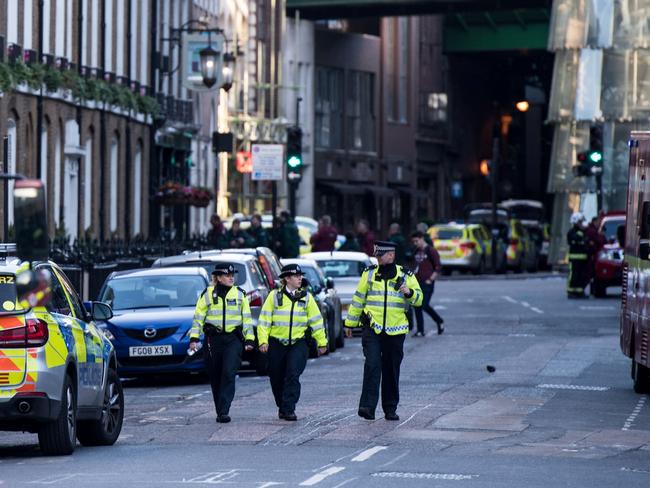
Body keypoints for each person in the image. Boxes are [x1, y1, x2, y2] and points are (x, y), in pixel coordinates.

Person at [344, 241, 423, 421]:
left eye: (382, 256)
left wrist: (409, 292)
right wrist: (350, 323)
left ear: (391, 255)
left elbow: (419, 300)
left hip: (396, 330)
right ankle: (367, 407)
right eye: (377, 256)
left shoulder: (405, 275)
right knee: (372, 364)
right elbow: (358, 299)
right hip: (373, 327)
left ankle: (390, 408)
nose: (378, 259)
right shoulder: (369, 274)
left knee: (391, 369)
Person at [257, 264, 327, 421]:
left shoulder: (306, 298)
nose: (300, 278)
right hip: (276, 343)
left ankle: (289, 408)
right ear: (287, 279)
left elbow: (316, 321)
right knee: (276, 376)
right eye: (296, 276)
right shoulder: (274, 296)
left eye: (300, 276)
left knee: (293, 374)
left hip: (298, 343)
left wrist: (322, 342)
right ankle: (282, 405)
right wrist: (263, 341)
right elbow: (264, 321)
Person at [189, 263, 255, 423]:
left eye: (232, 275)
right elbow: (198, 317)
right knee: (215, 375)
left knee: (229, 372)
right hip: (213, 340)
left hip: (233, 339)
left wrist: (250, 339)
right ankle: (220, 409)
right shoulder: (207, 294)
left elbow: (246, 319)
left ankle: (224, 410)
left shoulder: (240, 294)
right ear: (218, 277)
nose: (231, 278)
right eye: (227, 275)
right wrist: (194, 338)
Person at [410, 231, 444, 336]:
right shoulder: (416, 251)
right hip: (417, 282)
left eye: (416, 241)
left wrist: (430, 279)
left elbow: (438, 267)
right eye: (413, 241)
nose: (415, 243)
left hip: (427, 283)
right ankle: (420, 330)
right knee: (417, 305)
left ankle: (439, 321)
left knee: (424, 305)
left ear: (421, 238)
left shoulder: (431, 251)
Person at [567, 212, 589, 298]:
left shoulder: (583, 231)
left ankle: (580, 291)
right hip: (574, 258)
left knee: (582, 276)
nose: (582, 224)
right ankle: (571, 291)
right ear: (575, 222)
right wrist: (582, 232)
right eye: (580, 222)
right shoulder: (571, 232)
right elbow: (575, 238)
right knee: (573, 275)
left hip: (583, 258)